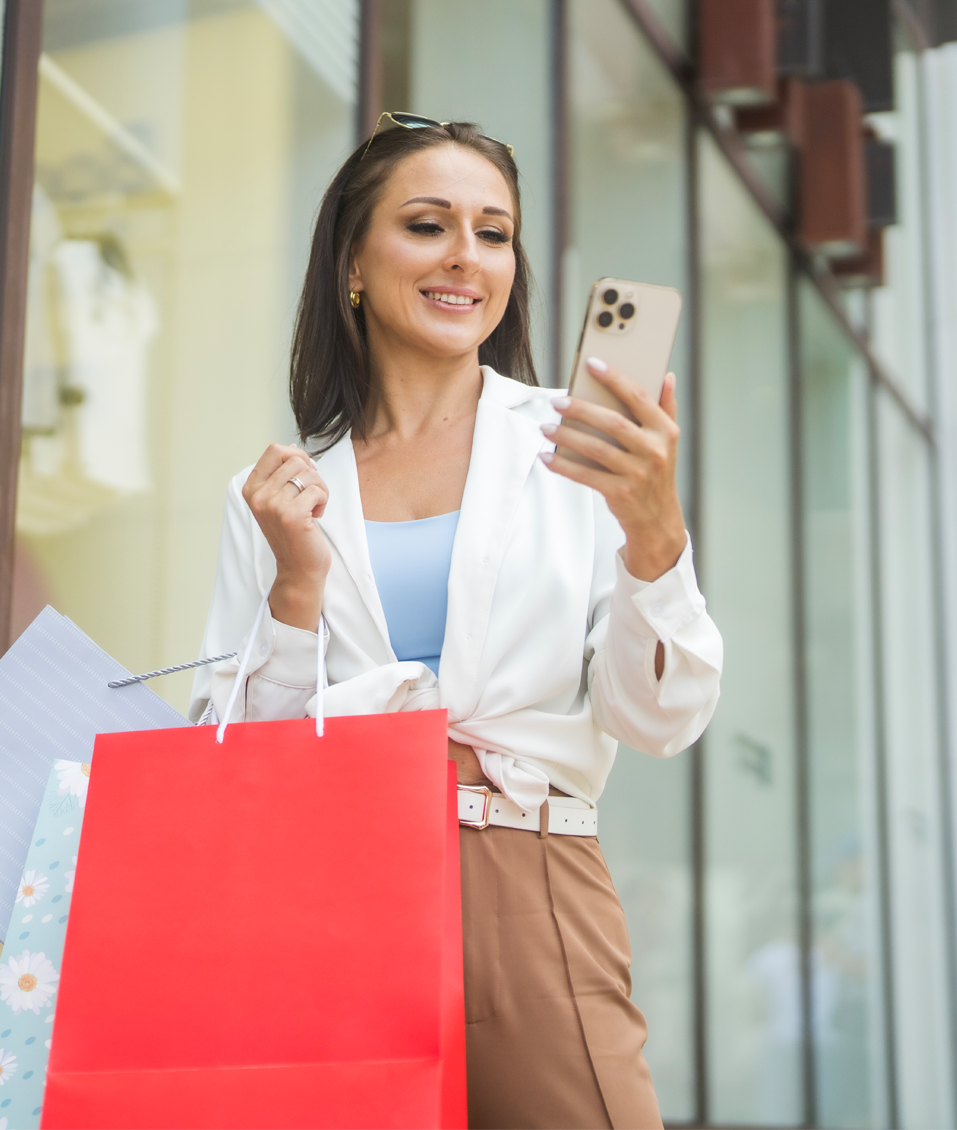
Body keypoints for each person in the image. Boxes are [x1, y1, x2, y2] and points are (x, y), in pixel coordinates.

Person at [188, 115, 723, 1129]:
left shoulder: (573, 452)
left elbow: (658, 717)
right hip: (331, 896)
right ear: (351, 262)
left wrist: (654, 538)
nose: (463, 259)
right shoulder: (273, 495)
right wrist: (294, 586)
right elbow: (235, 765)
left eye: (492, 232)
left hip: (525, 873)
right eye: (427, 225)